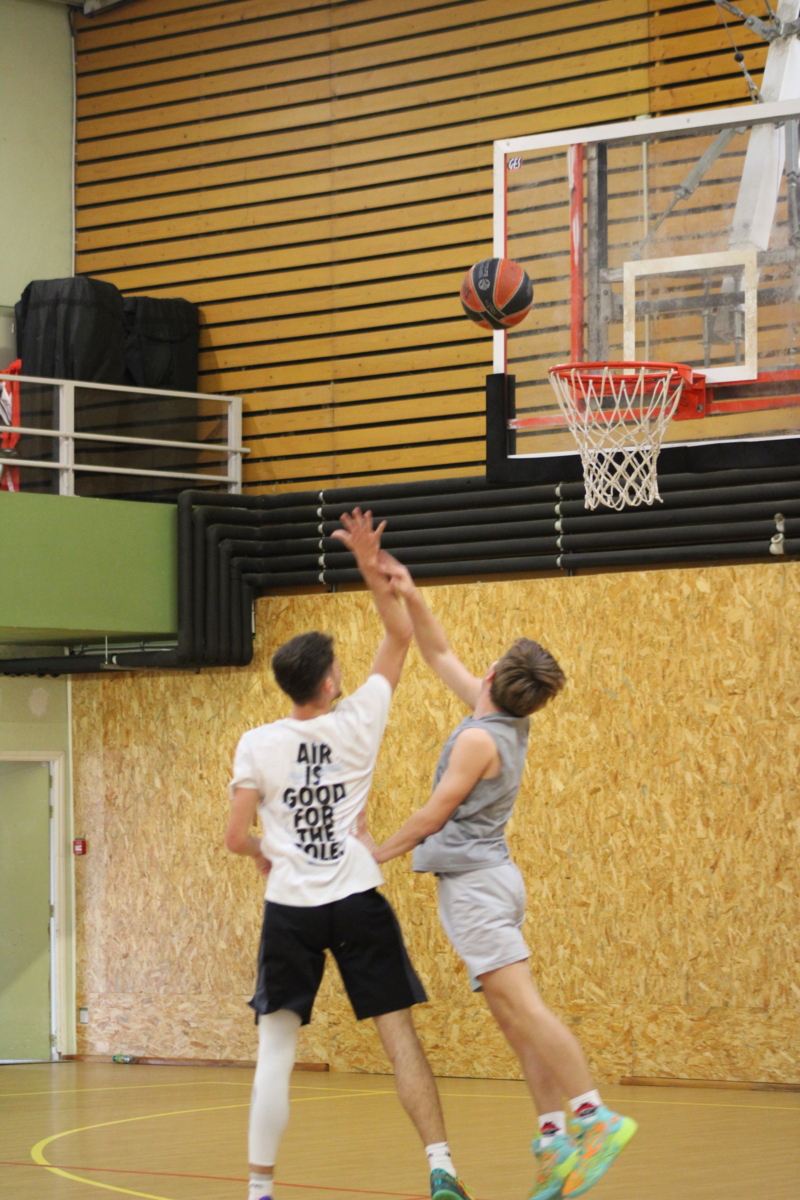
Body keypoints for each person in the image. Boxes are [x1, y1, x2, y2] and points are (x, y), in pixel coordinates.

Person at [367, 552, 637, 1200]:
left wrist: (375, 853)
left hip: (478, 890)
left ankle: (594, 1114)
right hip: (494, 881)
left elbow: (433, 815)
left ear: (491, 675)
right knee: (514, 1020)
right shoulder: (501, 722)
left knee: (527, 1010)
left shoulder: (477, 739)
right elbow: (437, 653)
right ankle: (553, 1139)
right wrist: (412, 594)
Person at [225, 510, 472, 1200]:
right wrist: (369, 563)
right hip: (357, 897)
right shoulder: (361, 721)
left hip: (290, 910)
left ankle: (259, 1190)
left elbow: (235, 836)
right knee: (399, 1038)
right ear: (331, 683)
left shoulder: (257, 744)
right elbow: (400, 634)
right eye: (338, 667)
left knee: (276, 1052)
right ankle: (442, 1168)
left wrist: (262, 851)